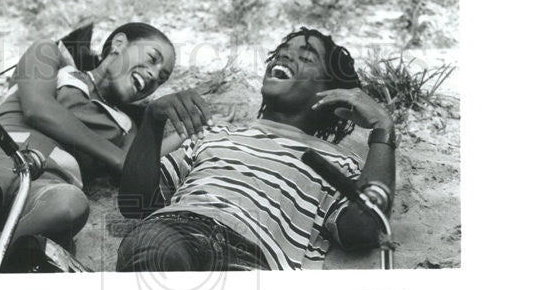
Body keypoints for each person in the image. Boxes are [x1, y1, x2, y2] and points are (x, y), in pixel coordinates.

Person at [0, 22, 177, 273]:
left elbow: (137, 170)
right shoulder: (50, 55)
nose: (153, 76)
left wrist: (188, 133)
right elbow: (38, 109)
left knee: (69, 204)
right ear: (118, 43)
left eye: (161, 78)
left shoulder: (127, 126)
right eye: (153, 59)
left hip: (49, 184)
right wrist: (119, 157)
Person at [116, 26, 396, 271]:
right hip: (177, 229)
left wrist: (383, 128)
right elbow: (134, 203)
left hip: (257, 259)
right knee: (153, 248)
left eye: (307, 57)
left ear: (330, 90)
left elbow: (364, 229)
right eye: (283, 51)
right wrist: (152, 121)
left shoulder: (339, 161)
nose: (285, 56)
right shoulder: (212, 134)